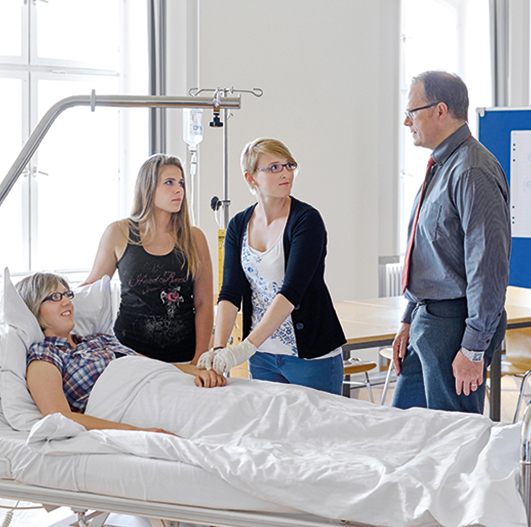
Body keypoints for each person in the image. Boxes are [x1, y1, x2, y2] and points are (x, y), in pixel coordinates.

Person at [391, 71, 510, 413]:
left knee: (452, 444)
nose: (406, 121)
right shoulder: (442, 165)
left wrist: (473, 349)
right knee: (407, 430)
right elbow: (432, 254)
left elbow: (487, 267)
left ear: (440, 110)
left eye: (412, 112)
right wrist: (409, 318)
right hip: (427, 321)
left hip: (454, 325)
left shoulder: (471, 170)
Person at [197, 138, 346, 394]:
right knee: (270, 431)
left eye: (289, 165)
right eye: (274, 167)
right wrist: (220, 348)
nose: (285, 173)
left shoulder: (307, 221)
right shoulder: (238, 225)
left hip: (310, 356)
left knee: (318, 432)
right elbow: (230, 292)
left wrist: (245, 348)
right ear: (251, 178)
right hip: (264, 355)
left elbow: (291, 292)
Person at [17, 272, 226, 435]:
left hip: (169, 388)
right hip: (142, 410)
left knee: (235, 404)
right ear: (34, 308)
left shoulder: (100, 339)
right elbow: (60, 417)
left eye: (67, 294)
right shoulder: (45, 356)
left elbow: (153, 366)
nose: (67, 301)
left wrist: (196, 372)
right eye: (54, 297)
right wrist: (136, 432)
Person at [85, 154, 213, 365]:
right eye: (169, 183)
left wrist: (199, 358)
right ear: (148, 187)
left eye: (181, 183)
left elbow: (204, 303)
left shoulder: (194, 237)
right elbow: (92, 288)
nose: (178, 189)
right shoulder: (118, 232)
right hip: (130, 355)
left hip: (183, 356)